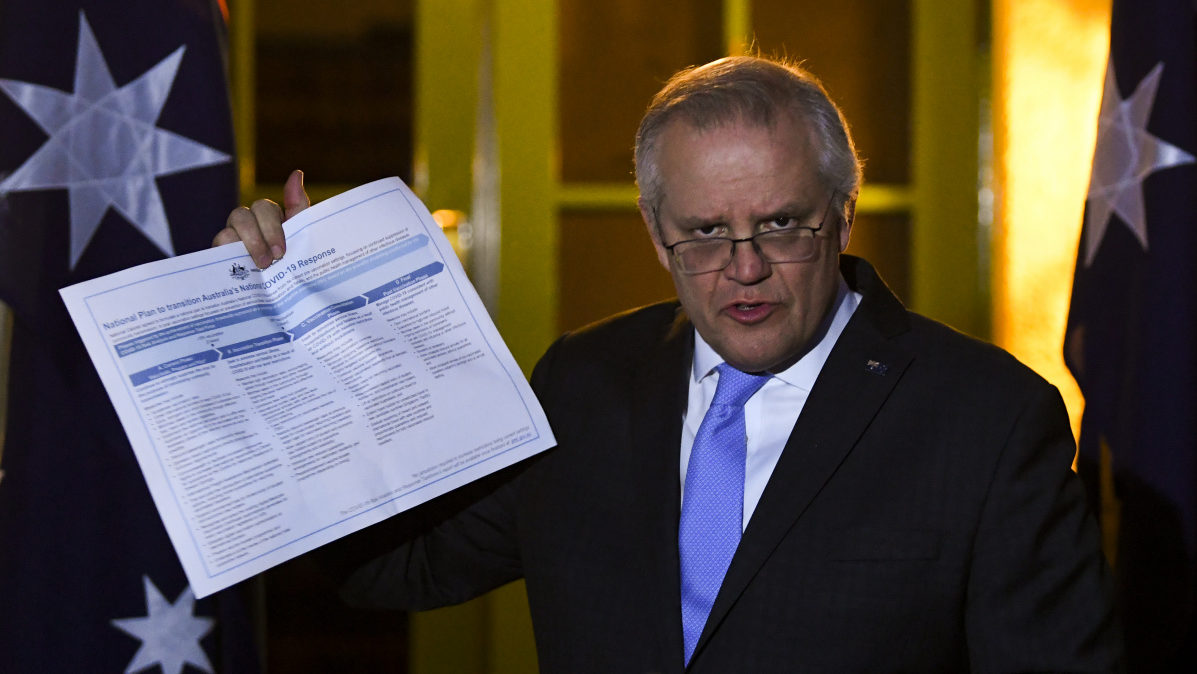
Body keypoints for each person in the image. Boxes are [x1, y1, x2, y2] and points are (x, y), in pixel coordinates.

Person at [217, 56, 1121, 672]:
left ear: (842, 215)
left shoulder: (988, 418)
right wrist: (286, 334)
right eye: (704, 232)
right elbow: (396, 567)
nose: (743, 268)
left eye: (780, 224)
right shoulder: (583, 382)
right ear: (655, 233)